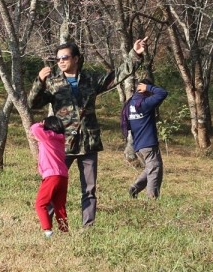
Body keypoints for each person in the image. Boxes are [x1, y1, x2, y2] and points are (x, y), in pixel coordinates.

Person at [29, 38, 147, 227]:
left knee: (89, 190)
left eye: (65, 57)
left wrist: (135, 54)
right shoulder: (53, 82)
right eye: (58, 59)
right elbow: (33, 104)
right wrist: (39, 82)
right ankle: (48, 226)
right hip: (62, 145)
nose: (60, 61)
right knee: (53, 187)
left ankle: (88, 228)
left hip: (88, 143)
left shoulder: (91, 79)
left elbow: (116, 76)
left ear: (76, 58)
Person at [122, 76, 168, 200]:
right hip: (148, 144)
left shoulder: (130, 104)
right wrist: (149, 87)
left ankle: (135, 188)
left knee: (150, 168)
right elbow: (163, 93)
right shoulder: (144, 103)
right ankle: (152, 199)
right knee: (155, 169)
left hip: (137, 146)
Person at [30, 115, 69, 237]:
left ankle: (47, 231)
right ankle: (64, 231)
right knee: (59, 206)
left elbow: (34, 127)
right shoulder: (60, 139)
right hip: (63, 176)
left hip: (51, 176)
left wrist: (42, 124)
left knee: (40, 204)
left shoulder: (47, 137)